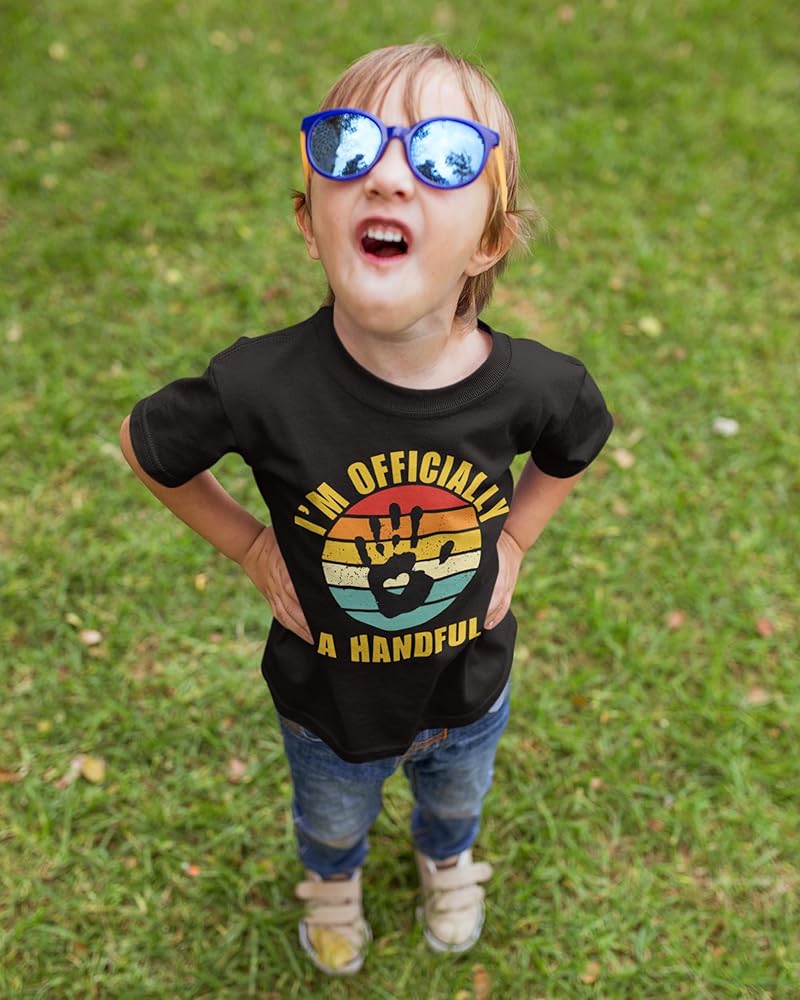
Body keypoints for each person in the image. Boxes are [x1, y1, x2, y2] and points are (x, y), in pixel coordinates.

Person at [120, 42, 613, 976]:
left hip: (469, 689)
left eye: (445, 156)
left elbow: (574, 445)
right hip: (325, 707)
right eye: (349, 145)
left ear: (490, 239)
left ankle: (447, 859)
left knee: (456, 800)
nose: (387, 175)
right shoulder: (259, 385)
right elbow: (149, 448)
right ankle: (334, 880)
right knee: (331, 817)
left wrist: (514, 539)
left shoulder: (536, 386)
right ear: (310, 221)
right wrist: (251, 548)